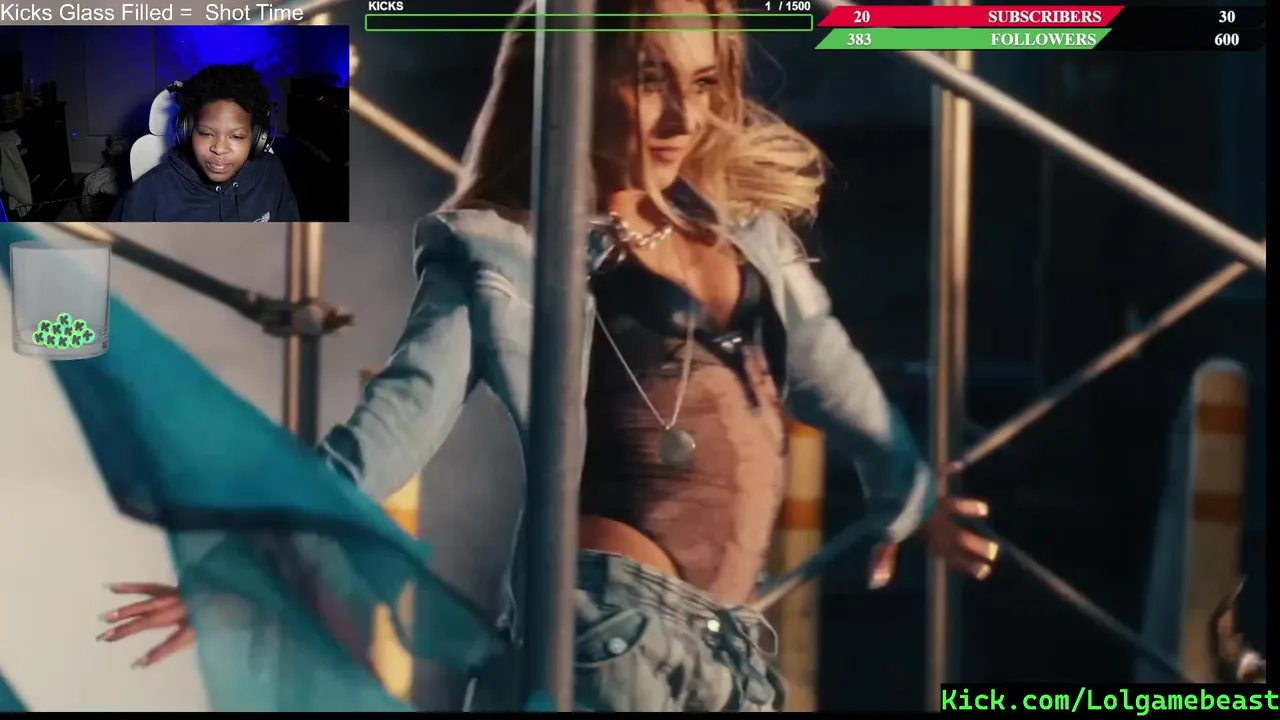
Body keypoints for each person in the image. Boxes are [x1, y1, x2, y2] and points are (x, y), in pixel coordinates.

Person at [100, 0, 999, 710]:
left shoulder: (751, 240)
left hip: (732, 649)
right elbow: (396, 423)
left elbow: (834, 372)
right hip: (608, 634)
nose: (682, 115)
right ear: (576, 73)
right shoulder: (506, 251)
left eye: (702, 81)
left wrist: (908, 489)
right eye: (649, 78)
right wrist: (259, 557)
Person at [108, 64, 299, 222]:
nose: (219, 149)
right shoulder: (147, 193)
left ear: (257, 137)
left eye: (237, 136)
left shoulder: (272, 173)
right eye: (206, 133)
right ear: (187, 131)